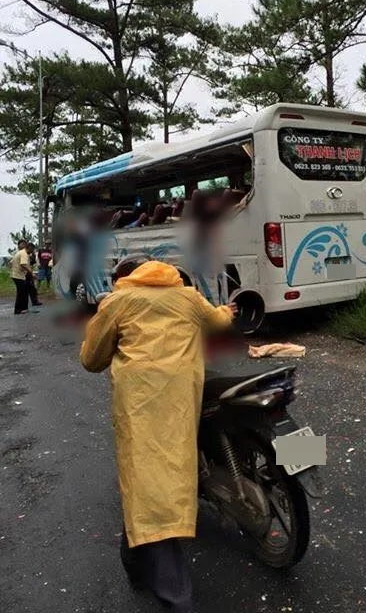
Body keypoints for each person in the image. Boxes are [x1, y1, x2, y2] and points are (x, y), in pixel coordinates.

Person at [79, 259, 237, 613]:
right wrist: (228, 309)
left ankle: (177, 598)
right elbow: (219, 320)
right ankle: (135, 560)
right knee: (159, 476)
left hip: (140, 403)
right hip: (183, 398)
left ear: (127, 278)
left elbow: (91, 359)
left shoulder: (118, 302)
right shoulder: (187, 297)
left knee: (146, 482)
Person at [10, 240, 33, 315]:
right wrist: (31, 272)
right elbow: (23, 264)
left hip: (17, 275)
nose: (32, 252)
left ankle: (23, 308)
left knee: (23, 292)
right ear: (29, 248)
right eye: (32, 250)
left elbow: (10, 262)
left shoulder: (20, 252)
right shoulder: (24, 253)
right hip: (18, 276)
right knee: (21, 293)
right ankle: (17, 310)